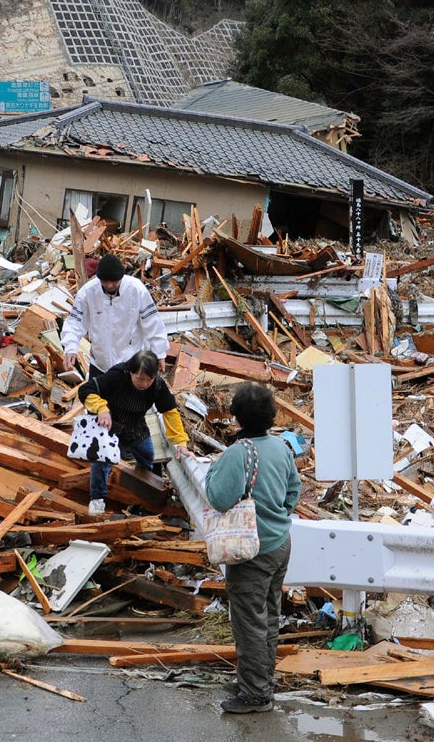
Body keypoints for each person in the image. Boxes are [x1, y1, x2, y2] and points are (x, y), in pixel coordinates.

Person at [204, 383, 301, 715]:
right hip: (279, 544)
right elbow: (293, 490)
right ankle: (261, 680)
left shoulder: (237, 453)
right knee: (270, 617)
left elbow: (217, 498)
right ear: (271, 416)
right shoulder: (281, 447)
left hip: (251, 550)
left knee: (249, 623)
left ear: (237, 417)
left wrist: (211, 472)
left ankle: (255, 694)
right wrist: (279, 516)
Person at [77, 349, 191, 516]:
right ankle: (97, 499)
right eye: (139, 378)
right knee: (102, 460)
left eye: (148, 380)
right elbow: (86, 390)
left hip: (134, 425)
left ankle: (140, 500)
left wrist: (180, 441)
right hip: (109, 423)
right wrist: (101, 408)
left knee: (148, 458)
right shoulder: (117, 375)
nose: (144, 384)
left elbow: (170, 412)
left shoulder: (157, 385)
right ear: (131, 372)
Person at [60, 253, 168, 378]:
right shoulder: (88, 292)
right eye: (105, 281)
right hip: (100, 363)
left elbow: (152, 322)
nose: (109, 285)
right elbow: (75, 322)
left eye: (114, 282)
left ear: (121, 278)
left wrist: (160, 353)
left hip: (131, 361)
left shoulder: (136, 290)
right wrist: (70, 347)